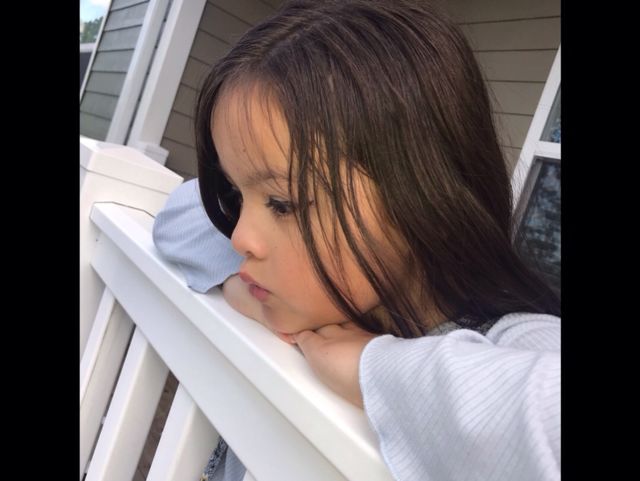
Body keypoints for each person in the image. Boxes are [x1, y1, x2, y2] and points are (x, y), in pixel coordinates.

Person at [153, 1, 561, 480]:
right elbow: (177, 216)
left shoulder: (515, 339)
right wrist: (241, 287)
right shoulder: (316, 295)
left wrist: (372, 368)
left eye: (283, 203)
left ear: (423, 195)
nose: (239, 235)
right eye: (236, 195)